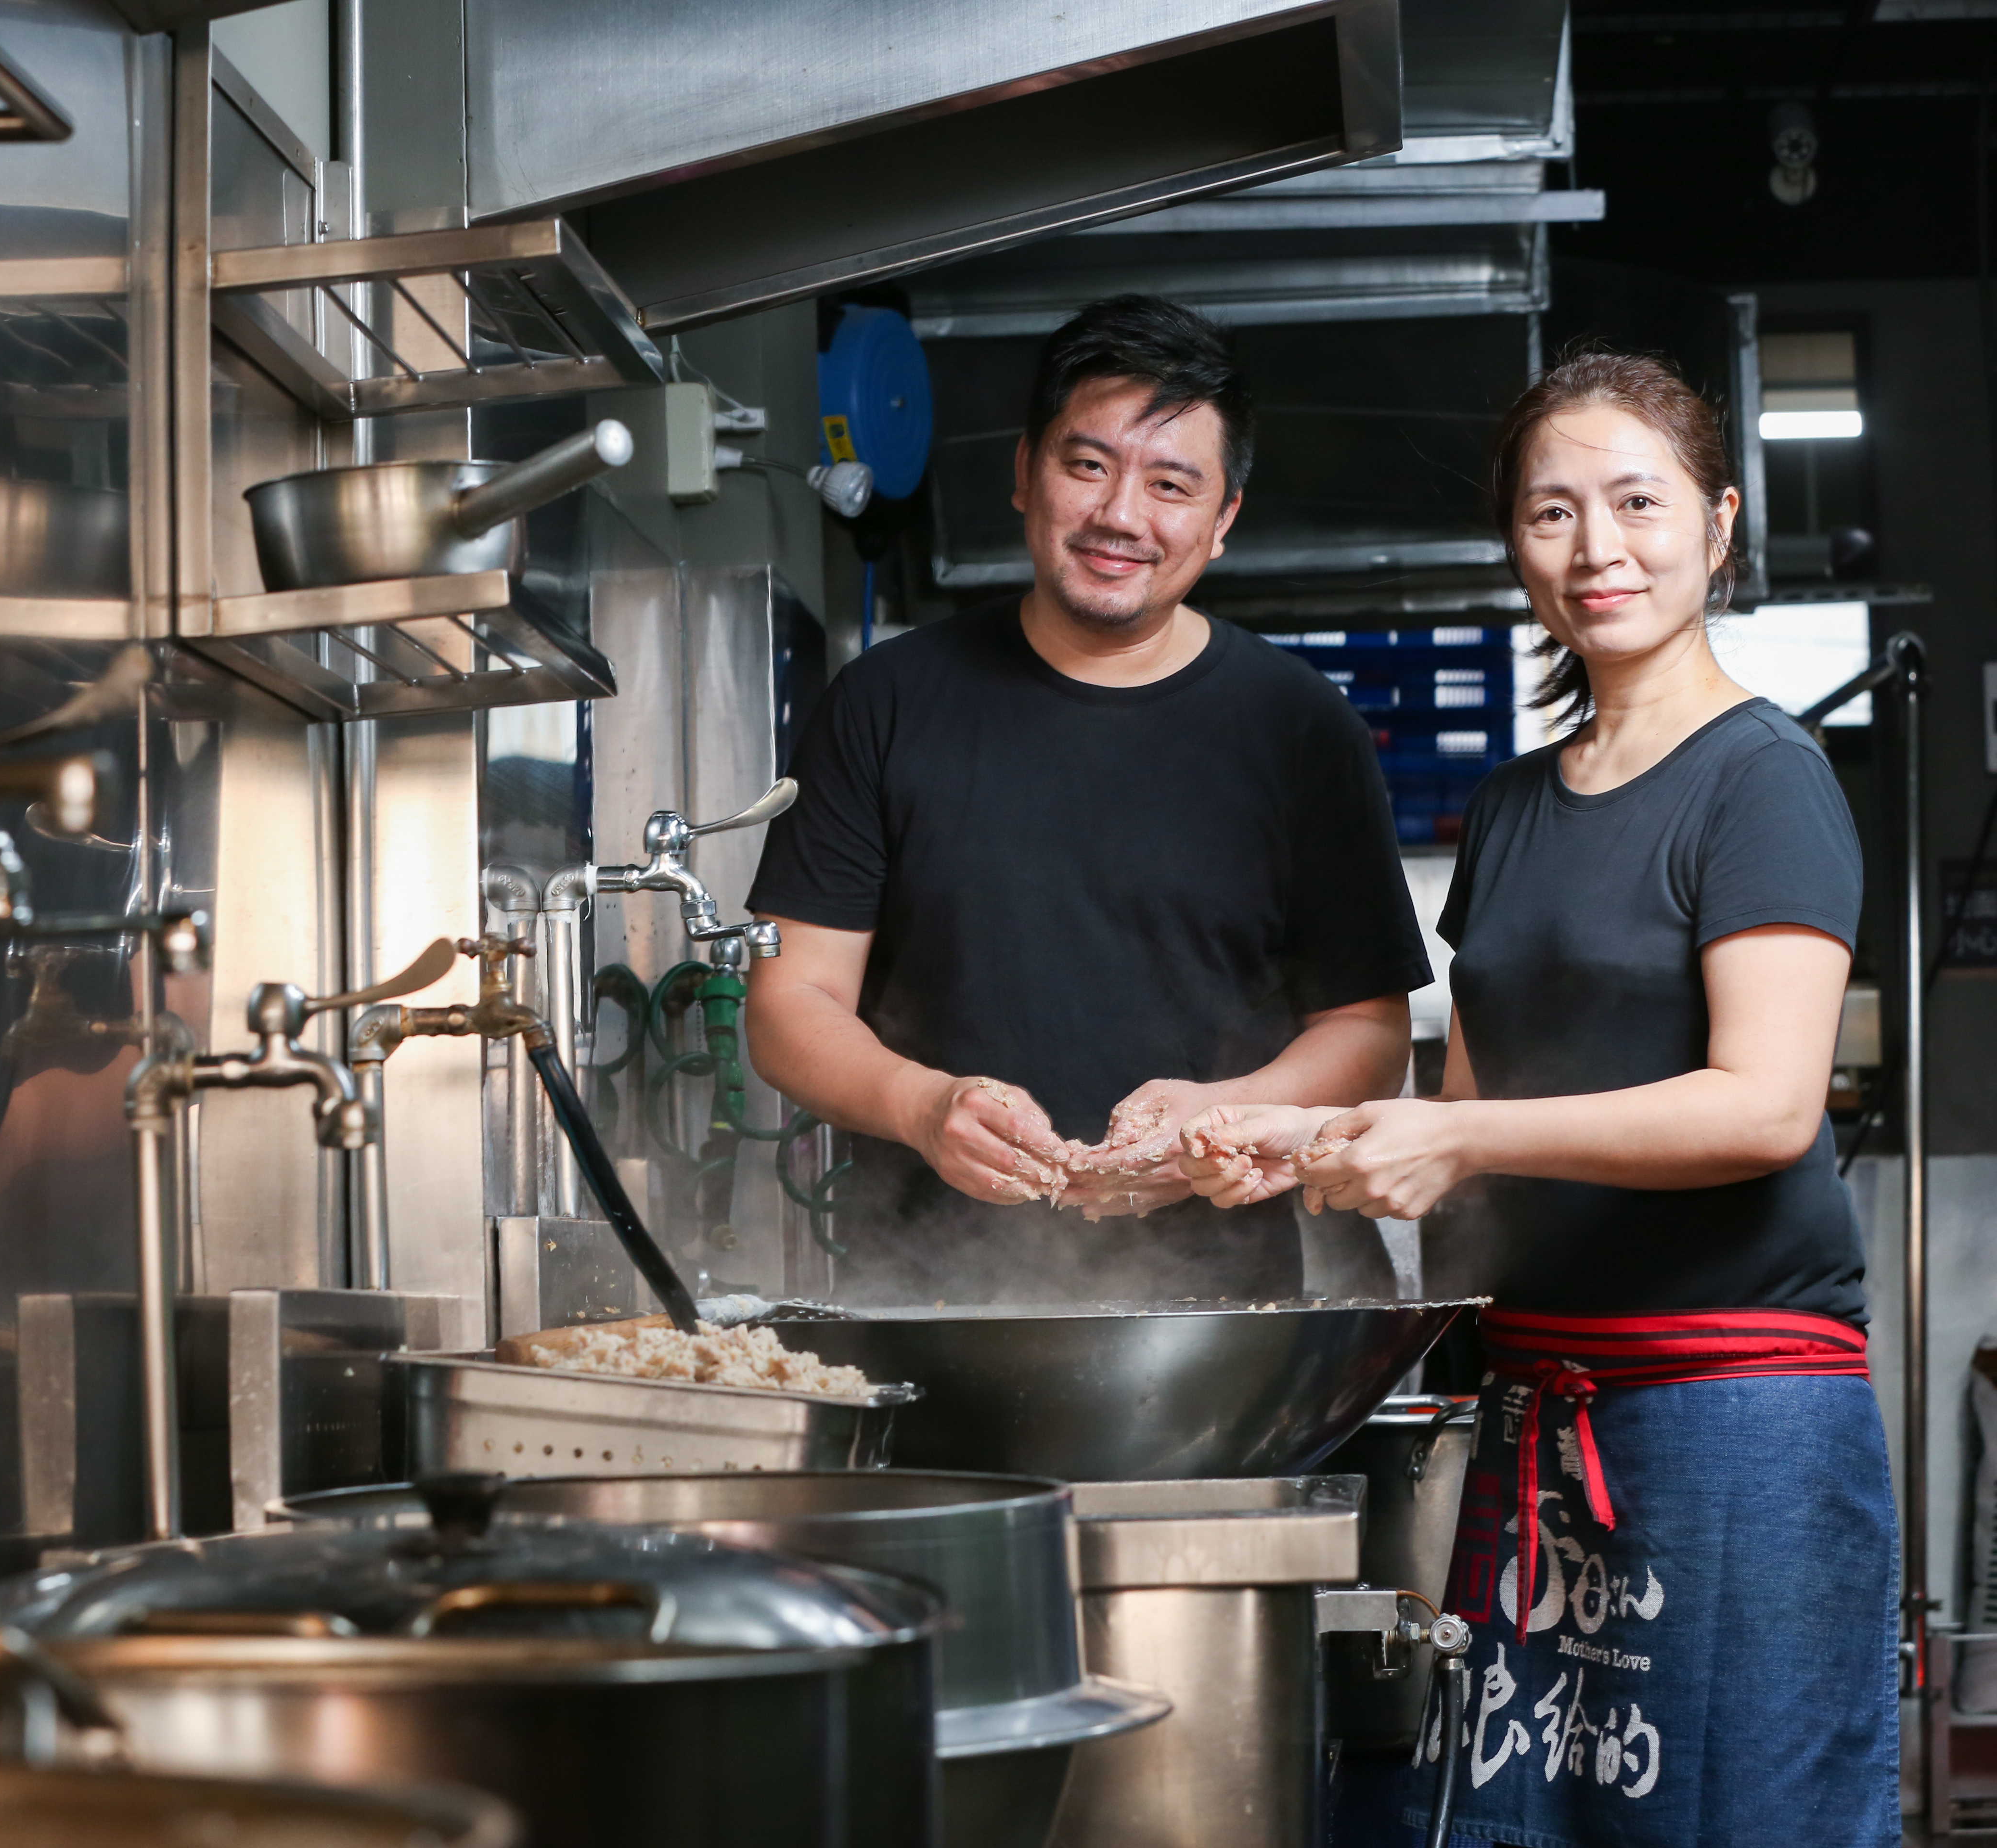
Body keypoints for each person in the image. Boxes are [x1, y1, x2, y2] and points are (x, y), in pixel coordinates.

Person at [1179, 350, 1896, 1845]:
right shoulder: (1508, 808)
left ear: (1719, 524)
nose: (1596, 549)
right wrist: (1284, 1138)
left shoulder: (1763, 781)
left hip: (1732, 1424)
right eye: (1552, 511)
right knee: (1529, 1824)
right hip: (1536, 1414)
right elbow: (1469, 1130)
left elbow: (1764, 1107)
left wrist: (1456, 1136)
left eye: (1636, 503)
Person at [741, 294, 1431, 1303]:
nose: (1121, 516)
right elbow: (790, 1002)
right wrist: (924, 1103)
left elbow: (1369, 1036)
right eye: (1088, 464)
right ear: (1025, 473)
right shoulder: (886, 703)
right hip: (925, 1302)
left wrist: (1221, 1117)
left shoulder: (1300, 727)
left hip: (1220, 1319)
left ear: (1223, 519)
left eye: (1171, 483)